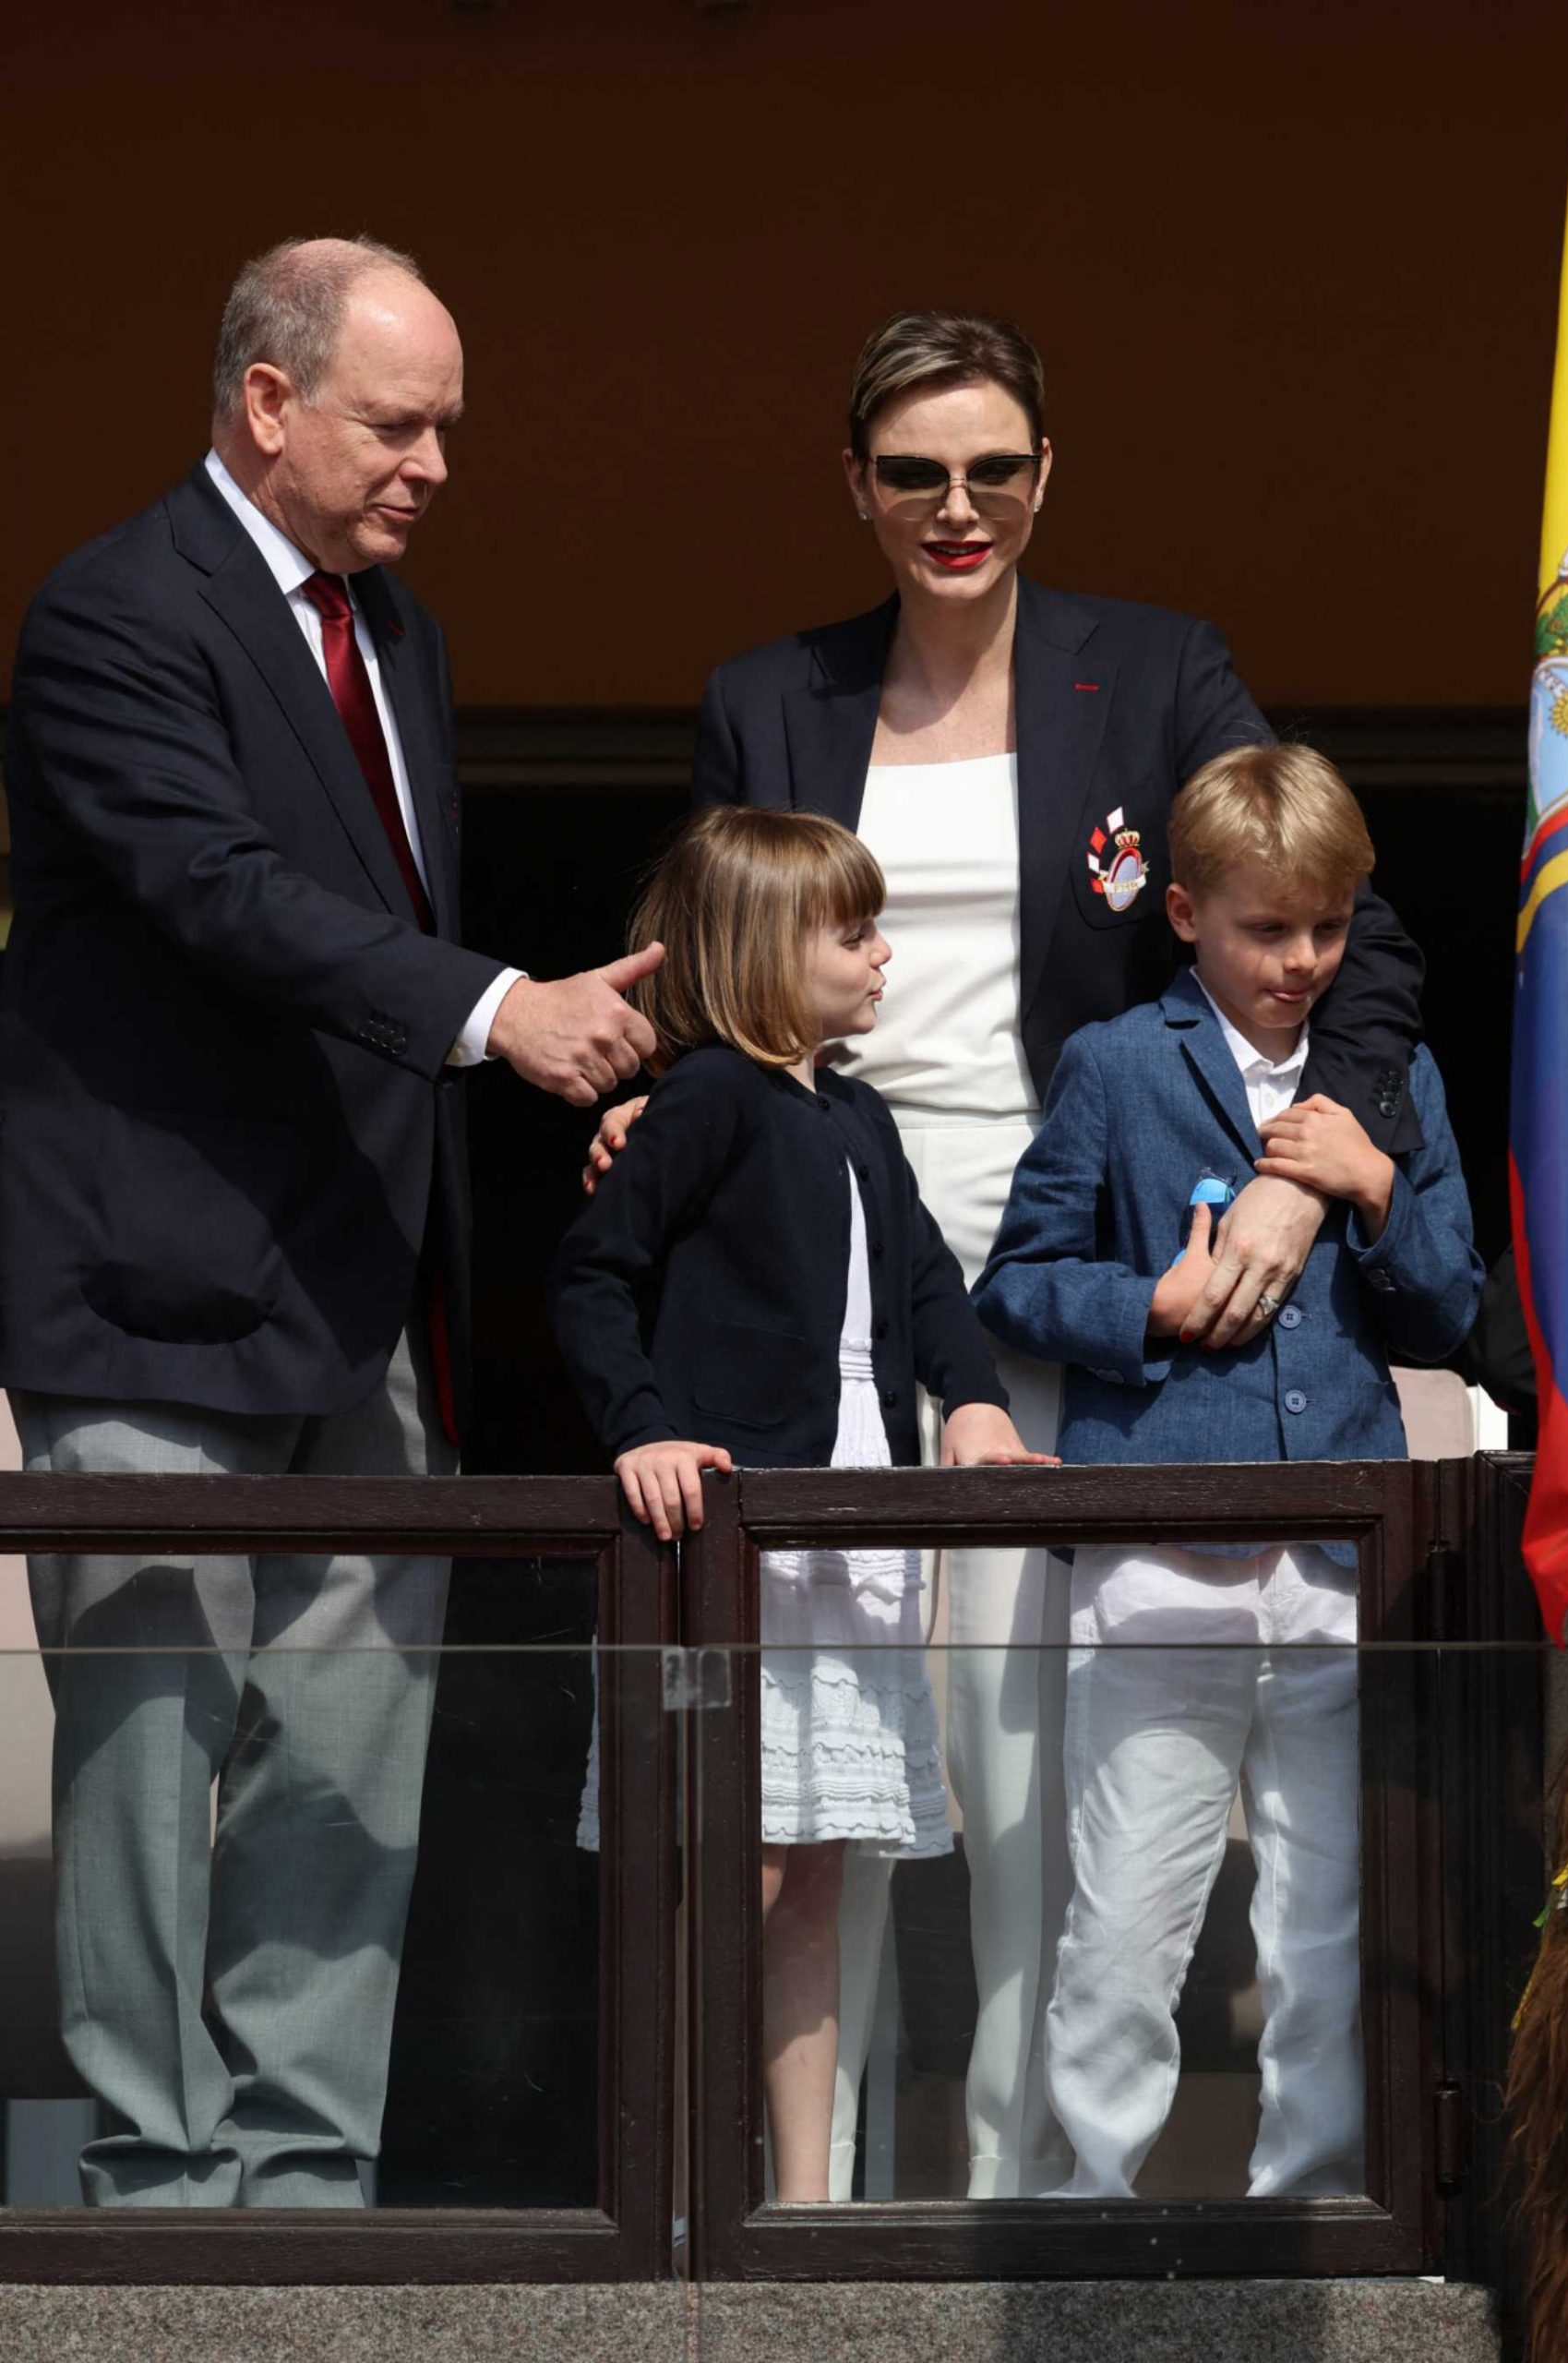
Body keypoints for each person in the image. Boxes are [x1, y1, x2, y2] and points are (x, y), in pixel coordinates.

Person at [588, 308, 1427, 2199]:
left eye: (989, 468)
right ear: (856, 487)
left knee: (1028, 1733)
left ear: (1043, 475)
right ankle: (828, 2197)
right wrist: (653, 1091)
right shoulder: (768, 693)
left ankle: (1017, 2189)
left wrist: (1297, 1171)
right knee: (835, 1731)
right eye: (910, 472)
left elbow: (1340, 933)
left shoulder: (1152, 673)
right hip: (827, 1236)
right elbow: (716, 951)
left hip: (1072, 1250)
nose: (952, 507)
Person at [0, 235, 659, 2206]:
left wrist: (575, 1105)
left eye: (448, 423)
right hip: (150, 1290)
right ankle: (151, 2183)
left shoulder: (403, 635)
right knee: (147, 1747)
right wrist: (496, 1008)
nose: (436, 461)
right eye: (398, 419)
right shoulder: (113, 611)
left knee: (346, 1756)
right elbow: (218, 892)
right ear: (267, 403)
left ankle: (301, 2188)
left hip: (370, 1295)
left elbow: (361, 952)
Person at [973, 743, 1482, 2196]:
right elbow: (1019, 1279)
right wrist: (1147, 1305)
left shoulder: (1390, 1082)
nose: (1305, 960)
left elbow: (1450, 1314)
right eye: (1270, 928)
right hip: (1162, 1548)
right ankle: (1086, 2207)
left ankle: (1314, 2205)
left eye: (1329, 927)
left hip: (1341, 1555)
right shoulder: (1121, 1063)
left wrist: (1375, 1188)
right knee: (1129, 1913)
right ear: (1185, 911)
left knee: (1326, 1915)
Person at [549, 805, 1047, 2199]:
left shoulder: (860, 1115)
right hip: (734, 1549)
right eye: (858, 932)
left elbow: (932, 1289)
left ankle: (801, 2202)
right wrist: (642, 1430)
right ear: (772, 948)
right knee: (739, 1873)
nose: (886, 956)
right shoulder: (707, 1099)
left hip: (849, 1531)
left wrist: (980, 1408)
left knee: (820, 1876)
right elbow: (593, 1276)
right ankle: (682, 2188)